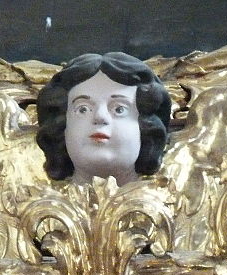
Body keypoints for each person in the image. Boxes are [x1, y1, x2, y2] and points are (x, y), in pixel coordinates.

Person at [36, 52, 172, 184]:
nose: (100, 117)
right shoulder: (33, 197)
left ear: (145, 129)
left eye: (119, 109)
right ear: (62, 128)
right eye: (83, 109)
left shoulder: (173, 196)